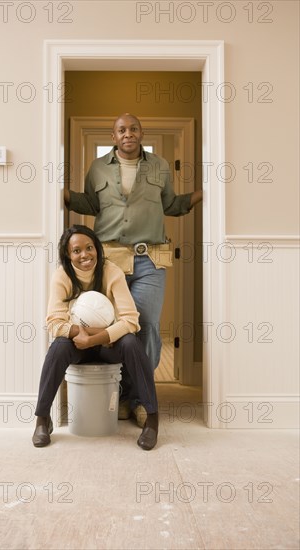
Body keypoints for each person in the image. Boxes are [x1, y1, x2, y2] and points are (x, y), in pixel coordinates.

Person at [64, 113, 203, 424]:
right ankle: (122, 395)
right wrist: (64, 196)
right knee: (117, 328)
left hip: (151, 259)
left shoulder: (160, 166)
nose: (128, 134)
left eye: (133, 128)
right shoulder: (99, 167)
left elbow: (170, 205)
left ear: (142, 133)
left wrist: (203, 195)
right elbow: (90, 203)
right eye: (121, 130)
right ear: (114, 137)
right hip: (110, 259)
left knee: (147, 326)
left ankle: (138, 399)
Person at [33, 224, 159, 451]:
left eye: (89, 248)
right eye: (77, 250)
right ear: (68, 255)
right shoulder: (62, 276)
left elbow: (131, 321)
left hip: (107, 345)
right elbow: (53, 323)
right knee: (59, 346)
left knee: (131, 342)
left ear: (97, 249)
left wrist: (92, 338)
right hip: (76, 345)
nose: (85, 255)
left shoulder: (112, 272)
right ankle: (42, 419)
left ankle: (152, 418)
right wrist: (78, 333)